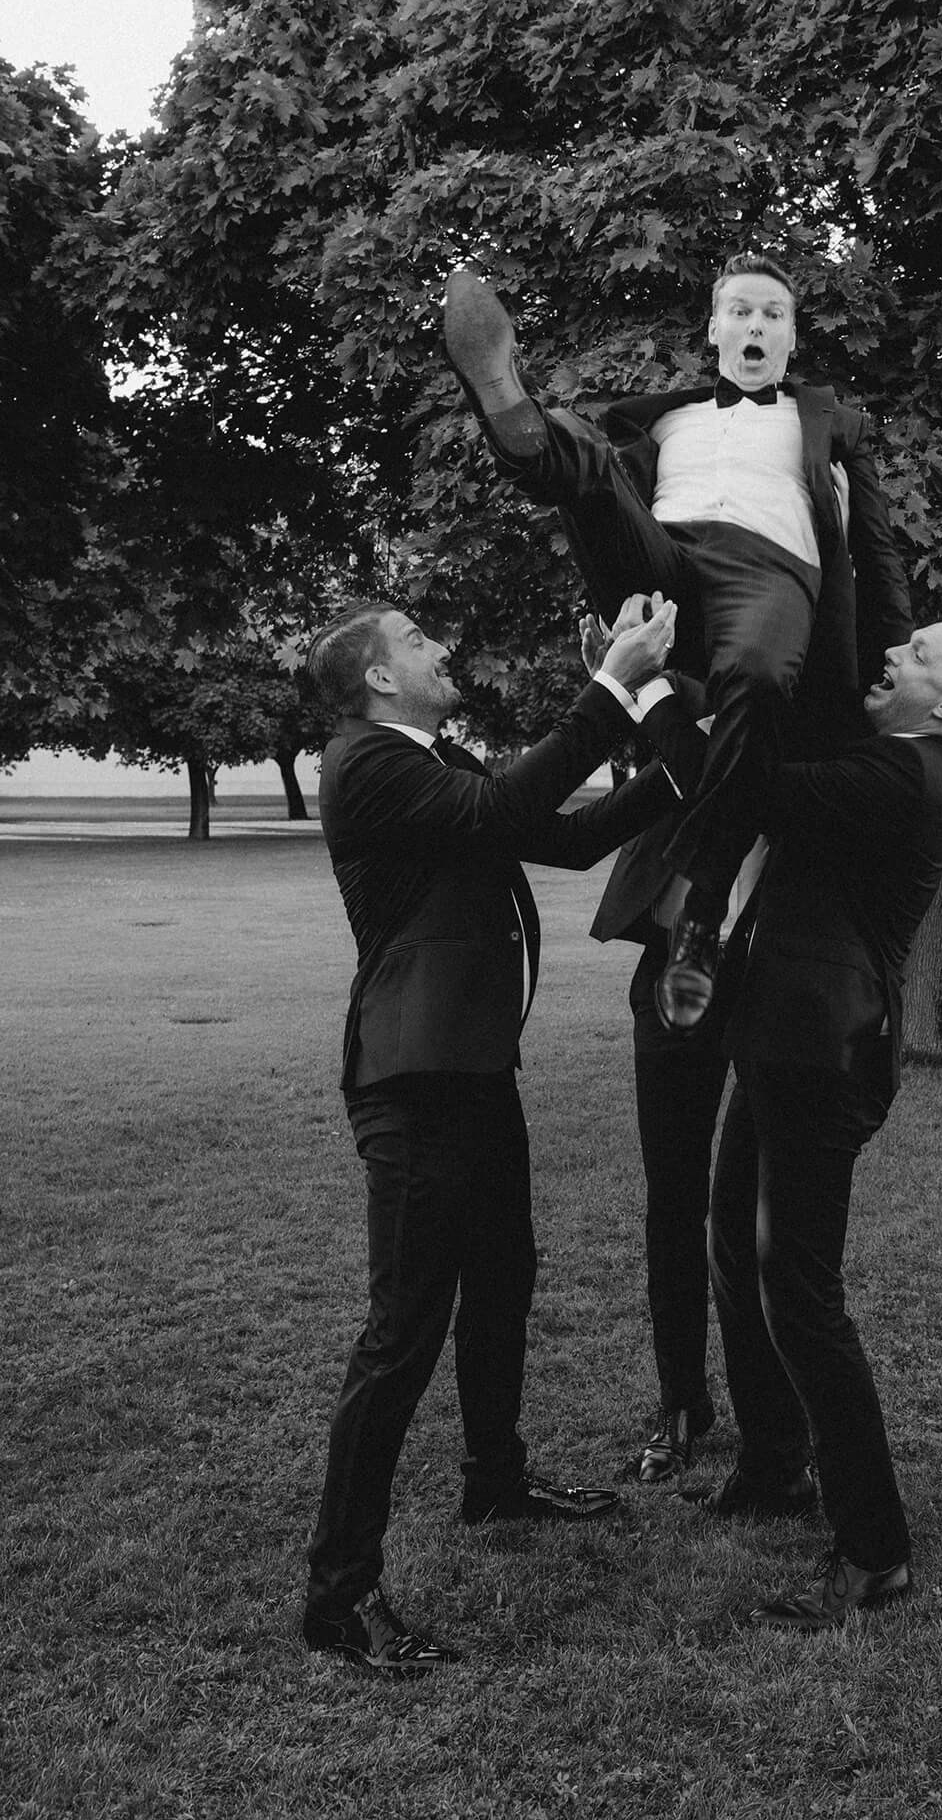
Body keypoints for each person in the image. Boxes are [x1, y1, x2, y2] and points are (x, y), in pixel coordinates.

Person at [300, 596, 679, 1675]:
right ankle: (340, 1593)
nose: (439, 648)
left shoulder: (434, 755)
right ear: (377, 678)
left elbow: (555, 835)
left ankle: (495, 1478)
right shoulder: (367, 761)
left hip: (470, 1070)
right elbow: (506, 806)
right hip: (413, 1077)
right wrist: (611, 684)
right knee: (402, 1331)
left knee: (504, 1275)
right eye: (416, 640)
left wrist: (688, 771)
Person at [625, 611, 942, 1629]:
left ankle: (875, 1548)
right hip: (784, 1039)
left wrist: (645, 689)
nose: (892, 654)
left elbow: (744, 790)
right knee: (731, 1236)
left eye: (919, 655)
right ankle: (772, 1461)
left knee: (800, 1288)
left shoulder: (907, 773)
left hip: (822, 1053)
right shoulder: (888, 753)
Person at [442, 253, 912, 1033]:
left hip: (771, 570)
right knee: (588, 464)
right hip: (666, 559)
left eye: (772, 314)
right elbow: (612, 504)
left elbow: (879, 552)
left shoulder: (835, 428)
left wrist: (887, 658)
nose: (755, 324)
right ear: (714, 329)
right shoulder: (660, 419)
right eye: (740, 310)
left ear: (791, 338)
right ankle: (508, 406)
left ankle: (702, 902)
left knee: (757, 681)